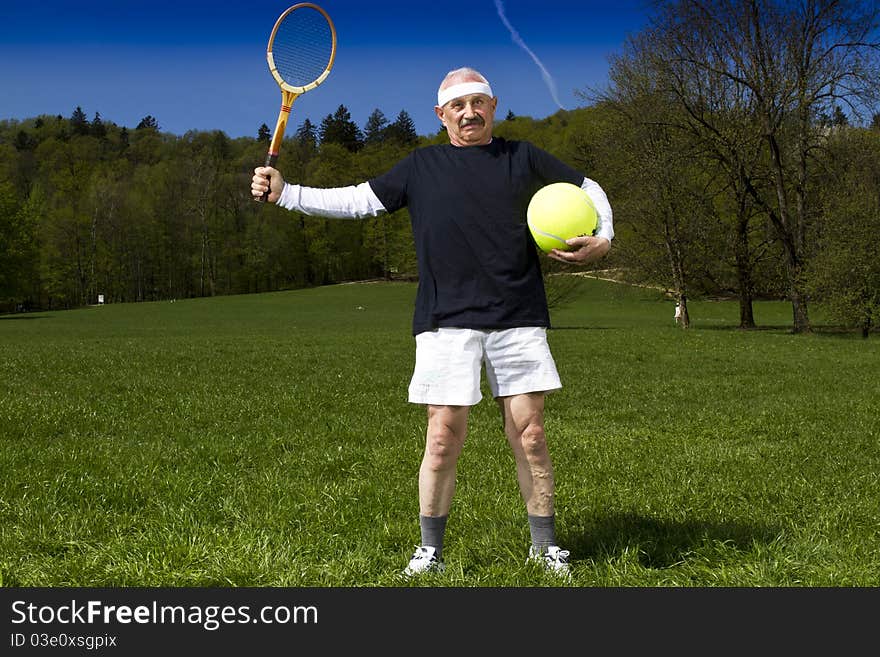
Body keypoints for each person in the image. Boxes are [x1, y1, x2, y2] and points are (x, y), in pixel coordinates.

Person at [251, 67, 614, 578]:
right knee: (443, 436)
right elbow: (357, 200)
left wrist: (605, 238)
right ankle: (430, 551)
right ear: (441, 115)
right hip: (445, 320)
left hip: (518, 315)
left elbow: (589, 186)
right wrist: (288, 193)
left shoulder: (524, 157)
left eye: (478, 102)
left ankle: (545, 547)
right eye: (458, 105)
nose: (470, 112)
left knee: (530, 434)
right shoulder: (420, 167)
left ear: (493, 106)